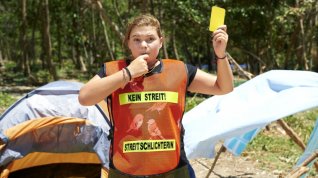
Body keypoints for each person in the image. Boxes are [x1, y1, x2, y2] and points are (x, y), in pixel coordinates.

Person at [79, 14, 233, 178]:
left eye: (150, 39)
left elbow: (224, 87)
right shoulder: (114, 70)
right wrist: (128, 73)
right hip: (125, 170)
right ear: (128, 43)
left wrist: (220, 55)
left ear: (161, 41)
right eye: (136, 39)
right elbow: (84, 97)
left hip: (173, 169)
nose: (143, 45)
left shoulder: (179, 70)